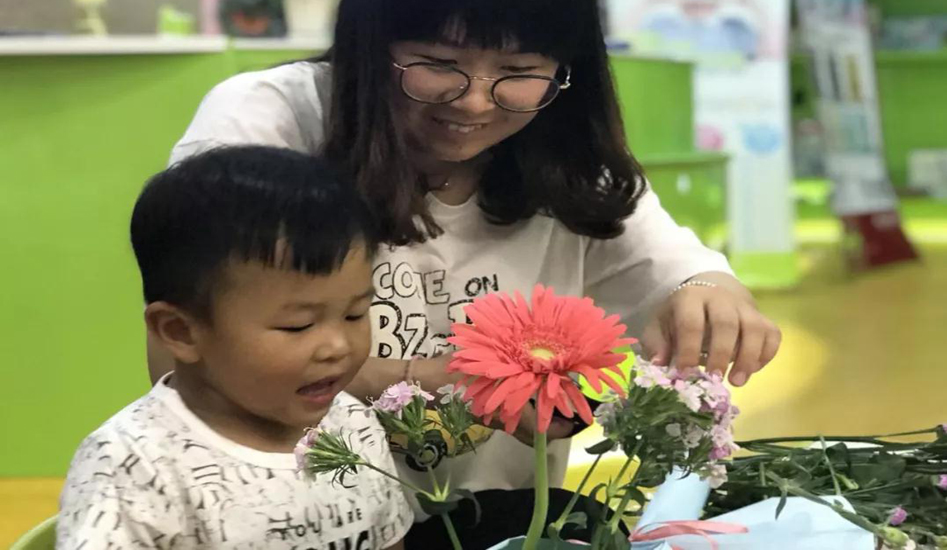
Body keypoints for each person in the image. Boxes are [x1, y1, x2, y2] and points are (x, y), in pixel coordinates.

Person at [158, 0, 782, 545]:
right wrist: (442, 382)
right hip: (288, 526)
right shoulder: (269, 123)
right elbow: (181, 361)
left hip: (498, 524)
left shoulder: (569, 165)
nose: (476, 100)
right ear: (369, 45)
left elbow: (685, 275)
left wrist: (710, 294)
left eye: (519, 72)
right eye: (438, 63)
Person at [58, 146, 412, 549]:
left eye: (354, 314)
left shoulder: (353, 423)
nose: (337, 346)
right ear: (180, 332)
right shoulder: (132, 465)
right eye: (297, 325)